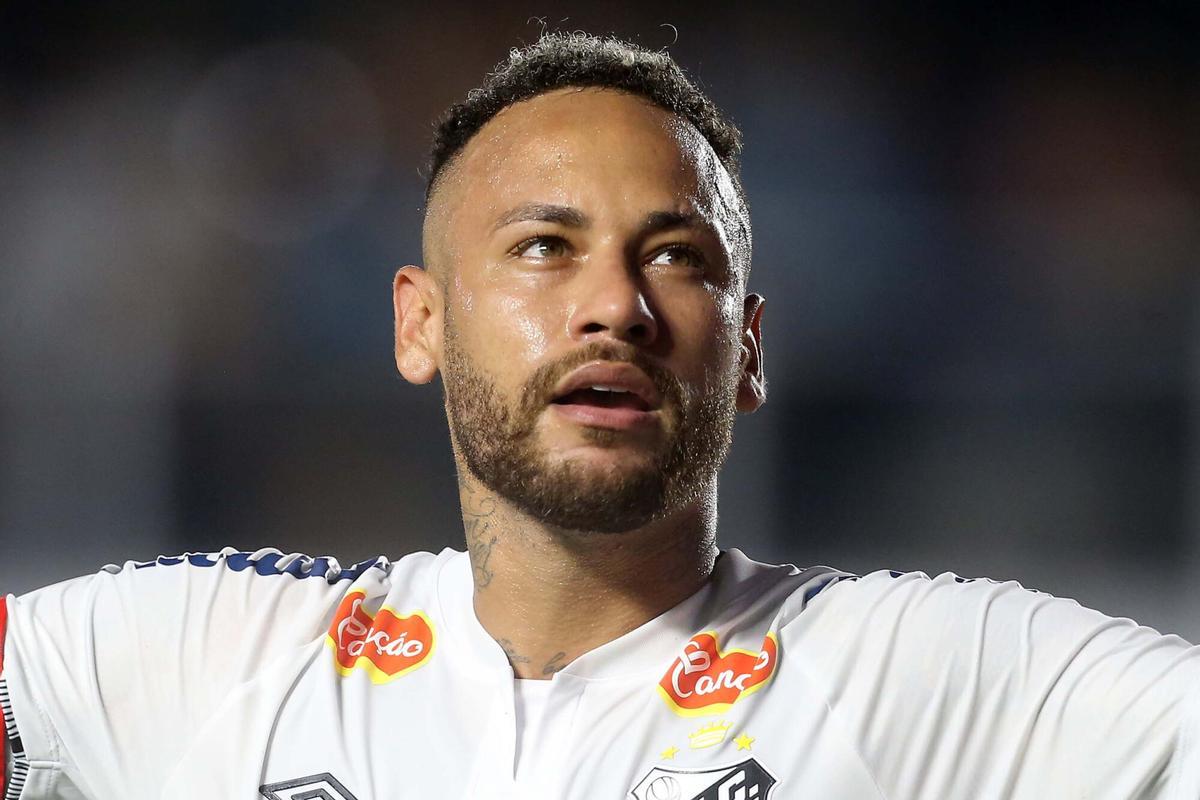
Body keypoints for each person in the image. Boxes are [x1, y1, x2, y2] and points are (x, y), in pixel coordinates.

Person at [1, 30, 1197, 800]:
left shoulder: (929, 673)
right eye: (543, 246)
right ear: (420, 322)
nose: (615, 305)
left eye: (676, 256)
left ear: (748, 350)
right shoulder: (210, 656)